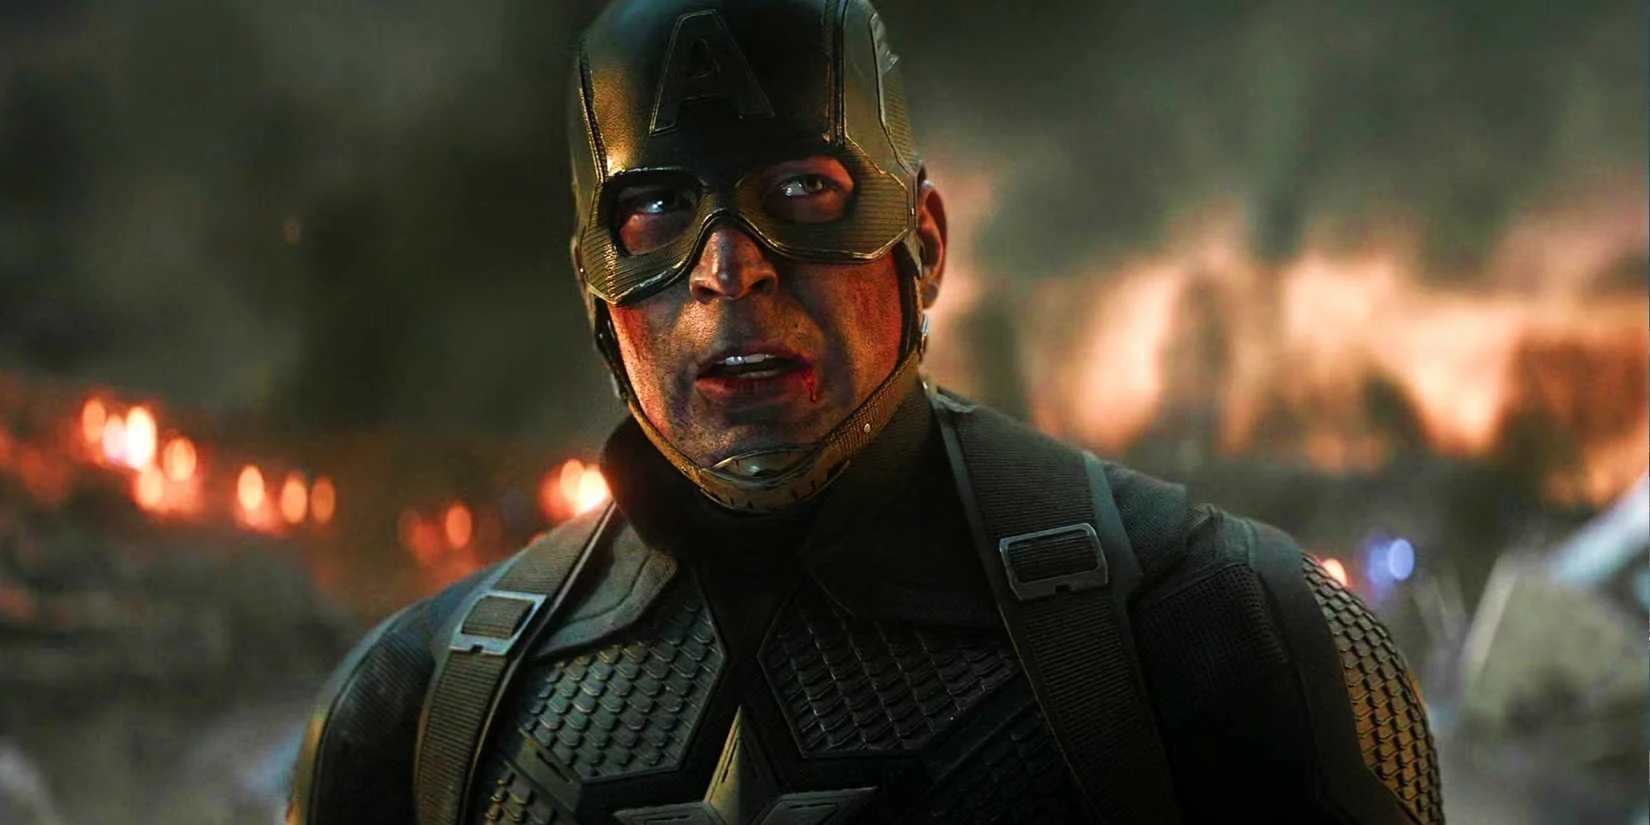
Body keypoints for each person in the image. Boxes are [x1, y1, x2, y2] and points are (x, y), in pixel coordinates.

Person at [285, 0, 1445, 822]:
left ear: (921, 242)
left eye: (802, 192)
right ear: (598, 286)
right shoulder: (424, 707)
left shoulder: (1220, 632)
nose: (729, 269)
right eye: (659, 210)